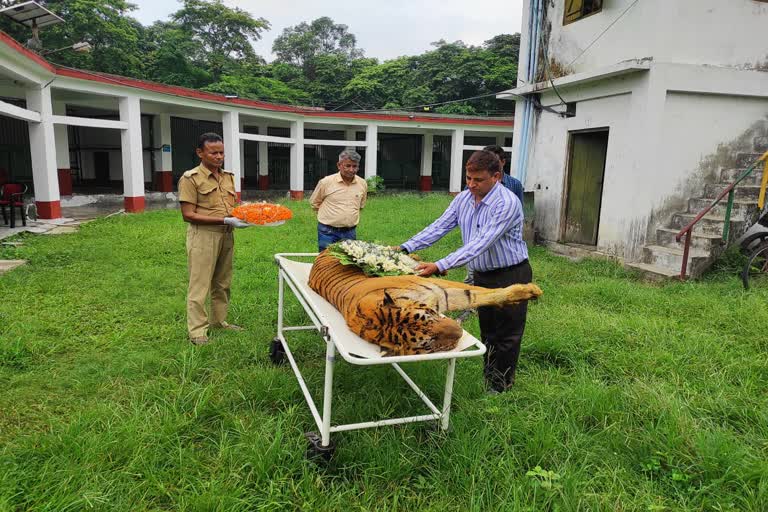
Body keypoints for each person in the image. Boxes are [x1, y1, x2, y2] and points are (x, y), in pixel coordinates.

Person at [398, 150, 532, 393]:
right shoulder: (463, 199)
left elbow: (481, 242)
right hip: (482, 276)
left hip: (510, 275)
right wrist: (405, 247)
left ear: (496, 177)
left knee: (507, 333)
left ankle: (501, 388)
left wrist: (440, 265)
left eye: (478, 180)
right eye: (468, 179)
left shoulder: (506, 203)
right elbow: (439, 226)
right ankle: (490, 377)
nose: (471, 185)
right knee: (489, 331)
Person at [178, 132, 252, 346]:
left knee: (222, 282)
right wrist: (226, 220)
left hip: (226, 235)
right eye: (214, 153)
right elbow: (187, 214)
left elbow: (232, 206)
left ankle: (219, 321)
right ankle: (197, 331)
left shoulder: (228, 176)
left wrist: (245, 213)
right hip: (204, 236)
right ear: (200, 153)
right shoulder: (190, 178)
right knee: (199, 284)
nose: (219, 157)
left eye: (221, 152)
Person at [309, 149, 368, 251]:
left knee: (348, 262)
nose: (351, 170)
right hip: (327, 231)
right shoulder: (326, 182)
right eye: (348, 166)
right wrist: (331, 217)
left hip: (350, 232)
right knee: (326, 261)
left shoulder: (362, 184)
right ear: (339, 165)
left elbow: (360, 205)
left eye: (355, 166)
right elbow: (315, 203)